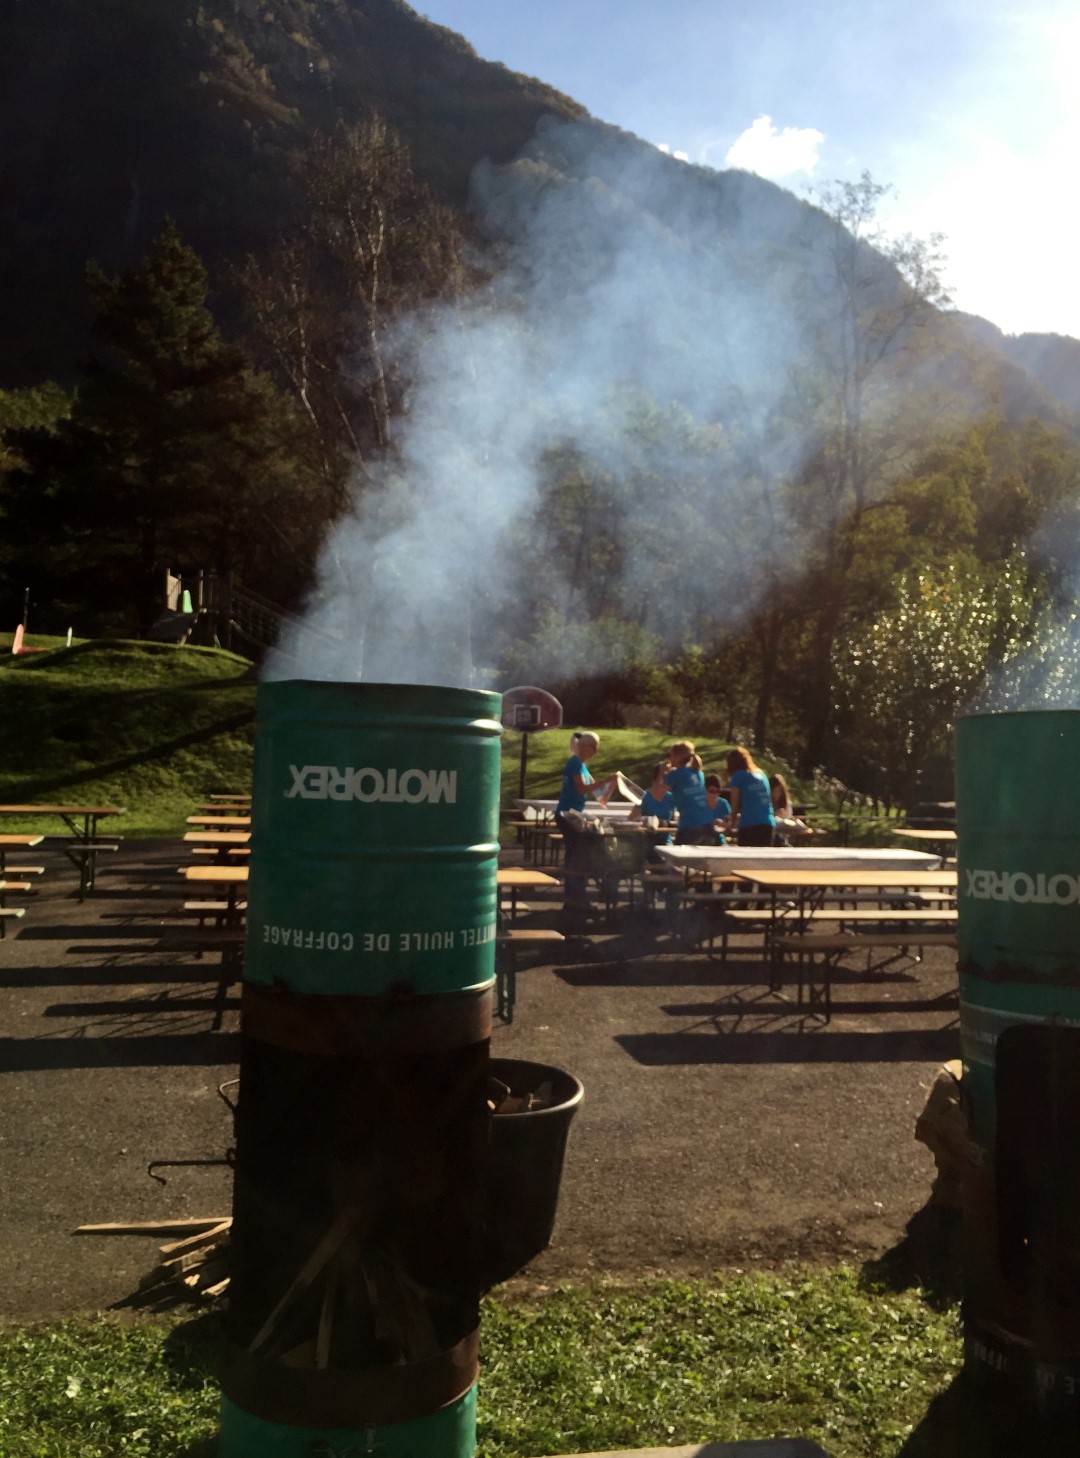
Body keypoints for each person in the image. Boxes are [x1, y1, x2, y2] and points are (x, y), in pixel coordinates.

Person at [555, 731, 616, 906]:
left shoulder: (582, 765)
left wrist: (611, 783)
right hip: (568, 814)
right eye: (593, 747)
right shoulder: (574, 764)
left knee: (578, 855)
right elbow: (582, 788)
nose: (596, 751)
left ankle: (575, 896)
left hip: (575, 814)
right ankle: (575, 898)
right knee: (576, 856)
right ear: (583, 747)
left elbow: (595, 790)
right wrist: (605, 781)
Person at [664, 740, 716, 845]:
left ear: (678, 757)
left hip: (690, 825)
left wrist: (663, 773)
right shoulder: (698, 772)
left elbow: (659, 793)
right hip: (708, 825)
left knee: (679, 855)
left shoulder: (676, 774)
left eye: (671, 755)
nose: (669, 759)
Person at [725, 747, 776, 846]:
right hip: (767, 822)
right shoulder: (761, 774)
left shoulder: (738, 776)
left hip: (750, 823)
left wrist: (730, 824)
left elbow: (735, 803)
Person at [629, 760, 676, 852]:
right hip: (647, 841)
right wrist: (646, 820)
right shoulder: (645, 796)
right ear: (656, 777)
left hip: (665, 842)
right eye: (664, 774)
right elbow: (631, 818)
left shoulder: (672, 798)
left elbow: (673, 822)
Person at [704, 773, 732, 844]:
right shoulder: (700, 805)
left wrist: (725, 824)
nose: (715, 794)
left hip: (719, 839)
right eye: (711, 791)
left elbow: (728, 822)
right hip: (703, 838)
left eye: (717, 791)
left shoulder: (723, 803)